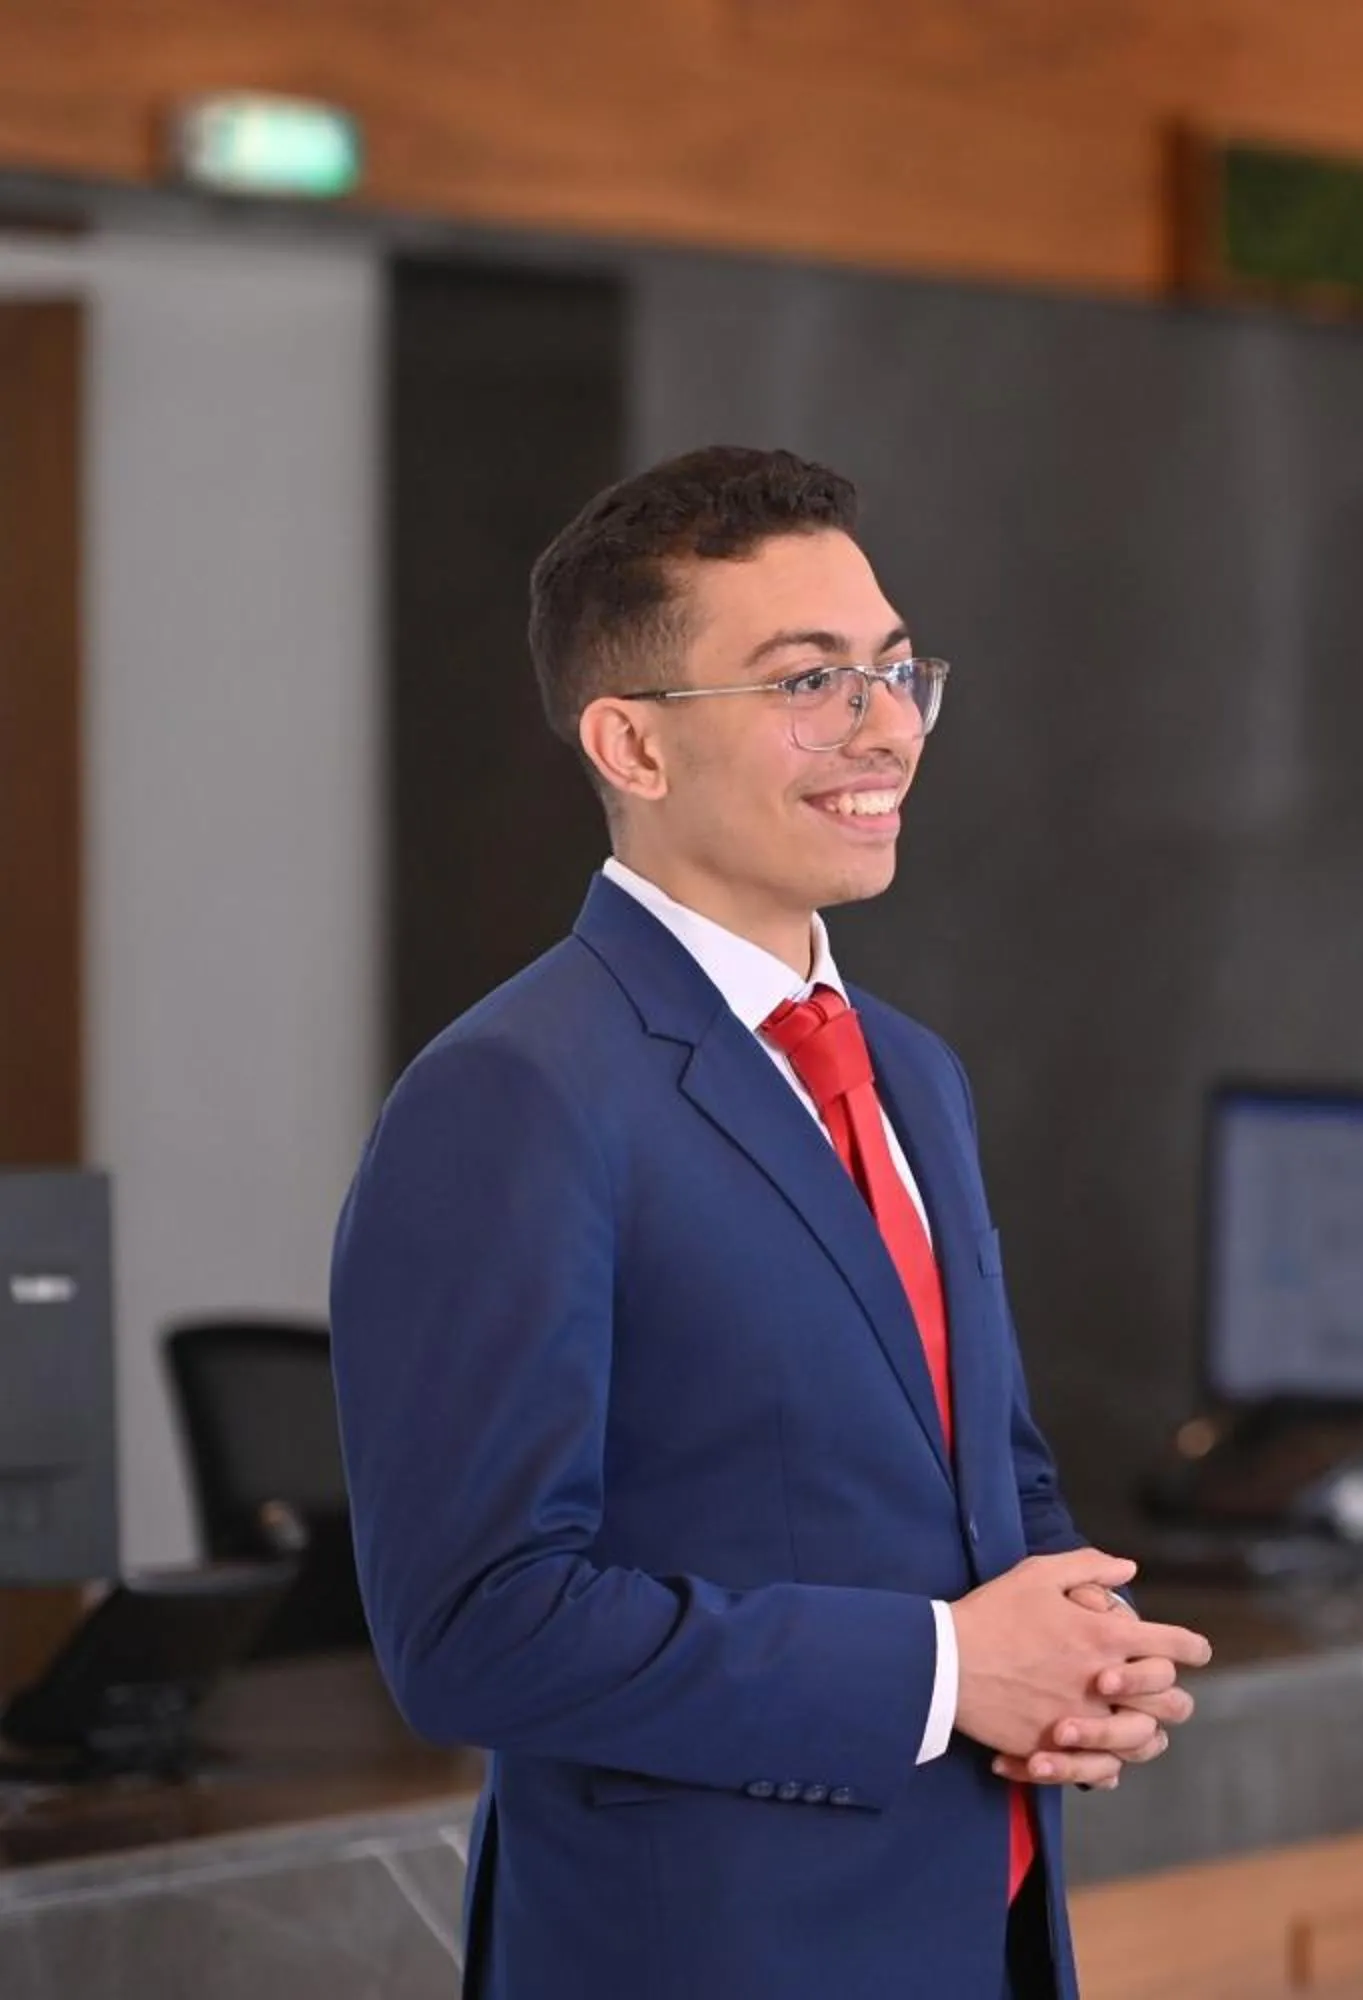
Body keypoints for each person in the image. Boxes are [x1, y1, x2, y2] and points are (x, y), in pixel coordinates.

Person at [330, 447, 1211, 2000]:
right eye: (810, 682)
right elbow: (476, 1626)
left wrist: (1080, 1632)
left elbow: (973, 1469)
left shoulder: (909, 1072)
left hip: (971, 1937)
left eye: (895, 669)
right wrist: (948, 1672)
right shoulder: (515, 1096)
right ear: (633, 745)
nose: (886, 726)